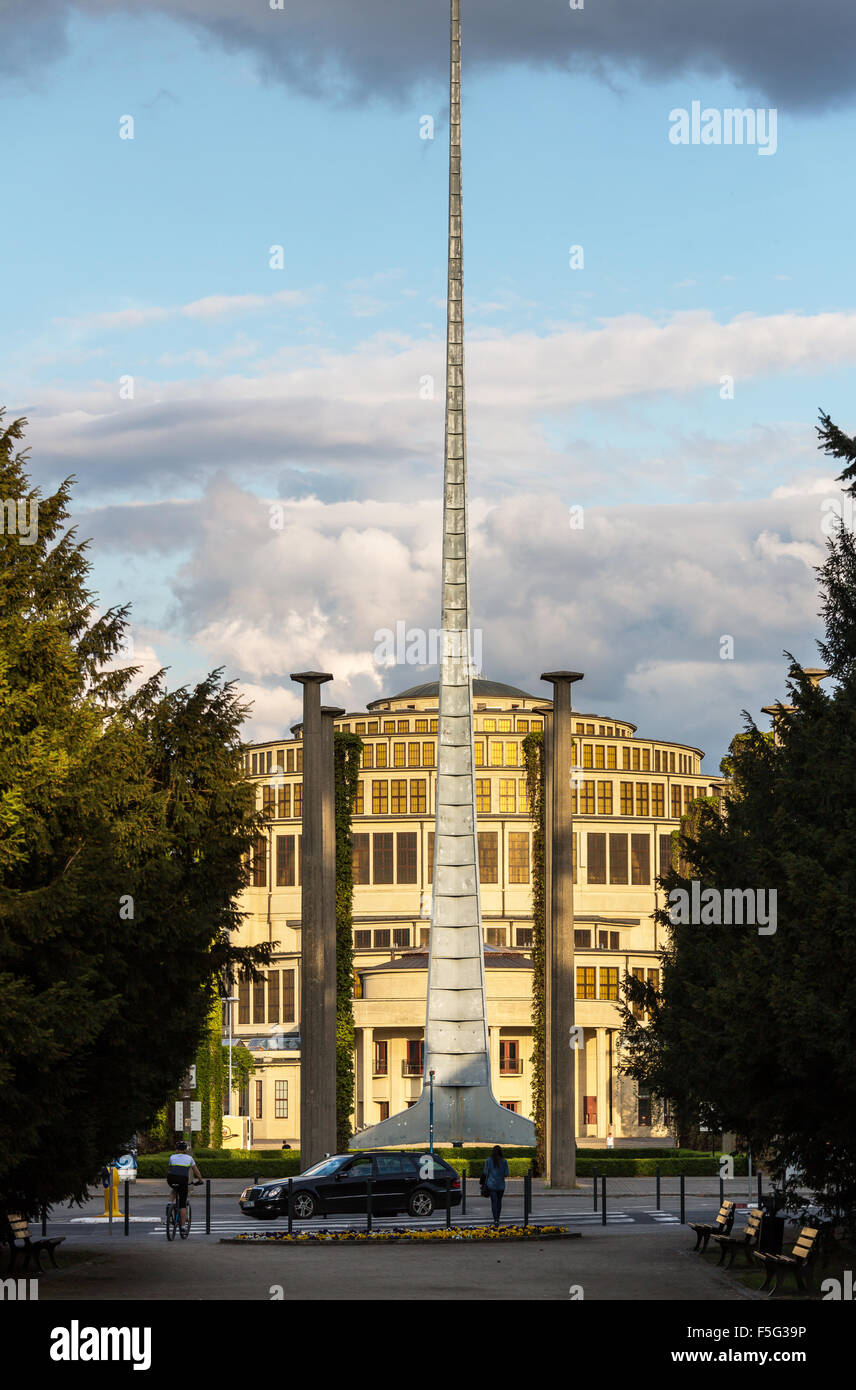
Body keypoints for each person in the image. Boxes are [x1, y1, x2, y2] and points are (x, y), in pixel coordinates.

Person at [166, 1142, 202, 1230]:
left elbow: (170, 1168)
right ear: (185, 1150)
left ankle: (169, 1204)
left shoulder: (172, 1157)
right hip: (182, 1180)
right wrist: (200, 1180)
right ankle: (182, 1226)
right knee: (182, 1204)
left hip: (171, 1179)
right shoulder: (189, 1158)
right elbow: (196, 1171)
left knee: (174, 1188)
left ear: (176, 1149)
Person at [482, 1144, 510, 1227]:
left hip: (491, 1185)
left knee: (494, 1202)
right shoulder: (504, 1161)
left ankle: (495, 1220)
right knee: (499, 1202)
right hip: (501, 1185)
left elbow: (485, 1172)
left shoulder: (488, 1160)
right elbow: (506, 1173)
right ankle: (498, 1218)